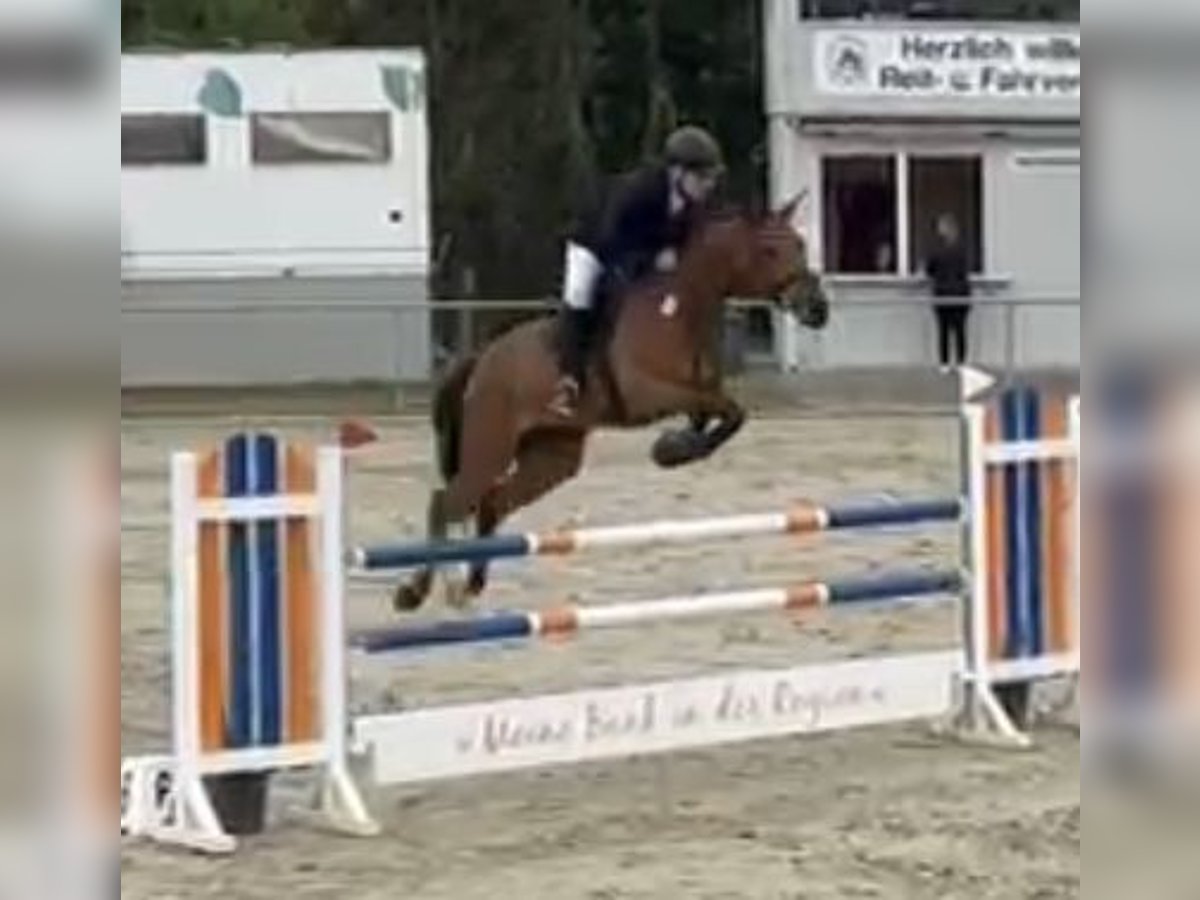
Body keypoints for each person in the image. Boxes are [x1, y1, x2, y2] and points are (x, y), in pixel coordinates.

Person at [549, 125, 726, 417]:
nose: (708, 185)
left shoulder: (694, 207)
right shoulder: (639, 192)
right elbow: (613, 238)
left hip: (635, 254)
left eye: (711, 178)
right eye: (702, 177)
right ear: (677, 173)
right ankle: (569, 380)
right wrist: (654, 257)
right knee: (582, 296)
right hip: (593, 244)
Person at [924, 212, 973, 371]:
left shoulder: (937, 250)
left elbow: (929, 270)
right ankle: (961, 362)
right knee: (959, 329)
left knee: (943, 329)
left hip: (943, 293)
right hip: (961, 293)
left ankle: (944, 362)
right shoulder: (963, 248)